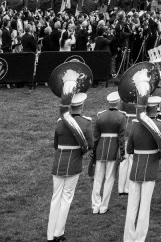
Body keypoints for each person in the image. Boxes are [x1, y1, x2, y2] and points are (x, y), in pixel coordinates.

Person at [48, 88, 94, 242]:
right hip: (74, 163)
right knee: (66, 198)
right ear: (81, 107)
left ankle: (50, 235)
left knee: (56, 198)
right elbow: (90, 144)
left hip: (58, 162)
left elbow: (56, 144)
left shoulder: (60, 123)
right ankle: (58, 233)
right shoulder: (85, 123)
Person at [124, 95, 161, 242]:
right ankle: (139, 238)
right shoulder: (160, 126)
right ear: (156, 109)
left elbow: (129, 149)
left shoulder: (135, 125)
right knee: (144, 207)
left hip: (136, 167)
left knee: (132, 205)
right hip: (150, 167)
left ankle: (128, 237)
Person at [90, 90, 126, 215]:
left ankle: (95, 205)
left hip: (100, 148)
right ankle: (104, 206)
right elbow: (121, 137)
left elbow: (95, 136)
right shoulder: (121, 116)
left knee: (98, 178)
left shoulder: (100, 115)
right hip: (113, 149)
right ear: (118, 102)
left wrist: (94, 150)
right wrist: (122, 151)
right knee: (109, 178)